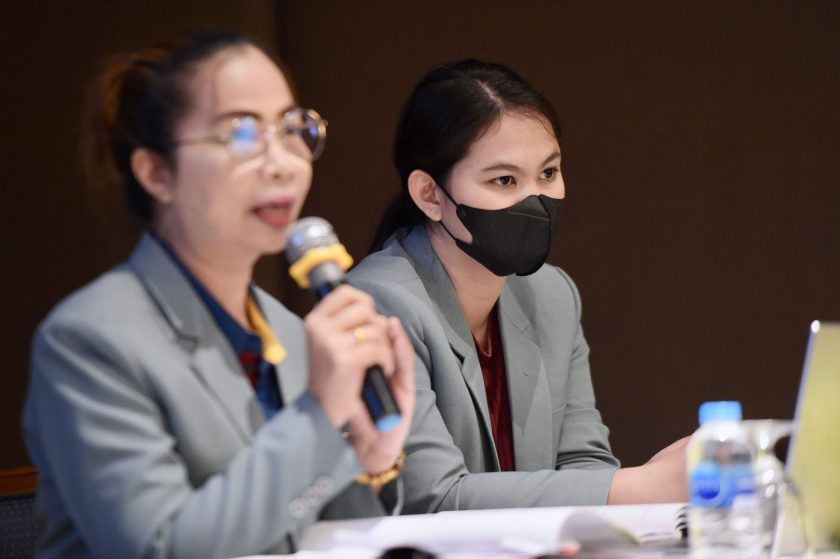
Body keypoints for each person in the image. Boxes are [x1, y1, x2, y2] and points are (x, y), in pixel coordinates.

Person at [22, 30, 415, 558]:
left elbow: (316, 534)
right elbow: (160, 548)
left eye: (292, 128)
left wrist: (373, 459)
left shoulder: (292, 333)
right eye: (241, 134)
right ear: (157, 173)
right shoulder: (88, 341)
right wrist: (319, 413)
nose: (284, 163)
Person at [347, 59, 687, 514]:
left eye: (548, 173)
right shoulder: (377, 304)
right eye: (504, 180)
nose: (536, 200)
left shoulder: (552, 295)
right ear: (430, 194)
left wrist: (634, 487)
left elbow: (584, 465)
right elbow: (432, 497)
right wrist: (643, 486)